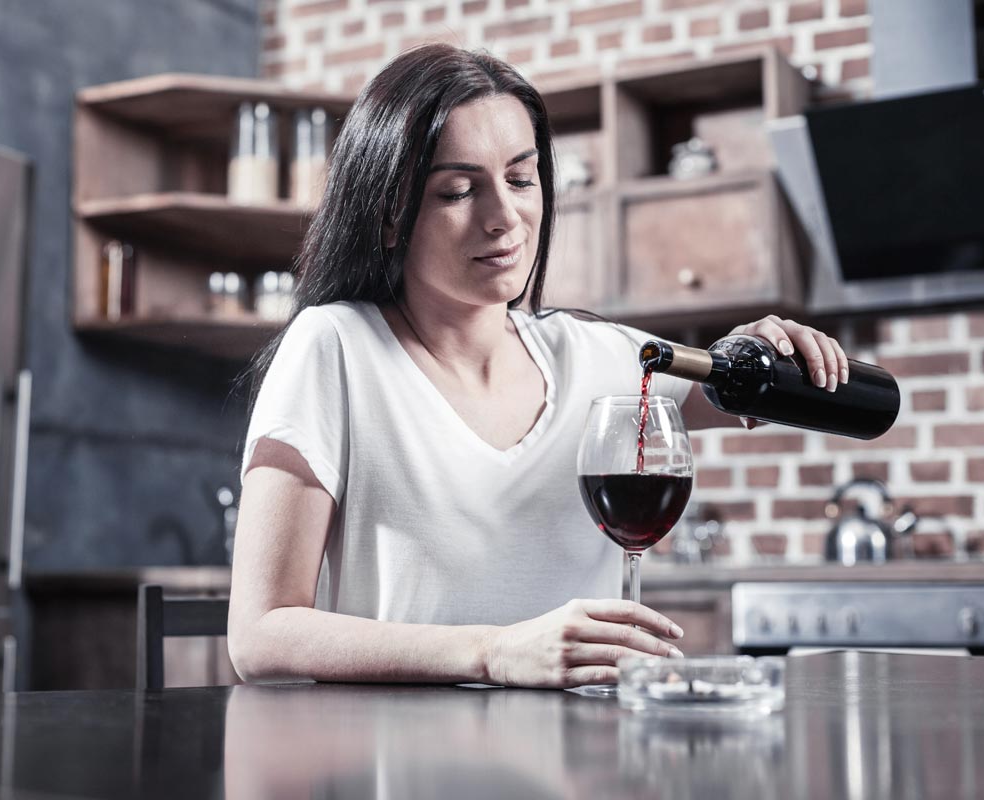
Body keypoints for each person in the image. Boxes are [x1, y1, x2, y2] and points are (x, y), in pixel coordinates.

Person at [226, 44, 848, 689]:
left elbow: (733, 388)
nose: (504, 218)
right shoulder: (335, 348)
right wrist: (493, 652)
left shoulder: (600, 356)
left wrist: (759, 352)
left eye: (521, 180)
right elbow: (261, 633)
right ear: (388, 218)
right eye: (459, 191)